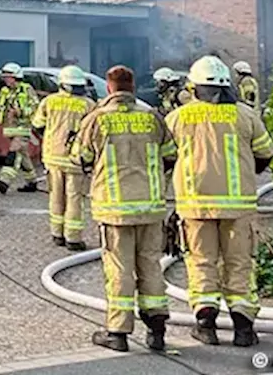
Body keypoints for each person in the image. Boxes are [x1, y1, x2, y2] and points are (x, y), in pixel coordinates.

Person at [164, 55, 273, 348]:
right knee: (239, 263)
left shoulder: (178, 117)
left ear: (193, 87)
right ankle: (243, 330)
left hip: (194, 205)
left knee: (201, 263)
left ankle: (205, 326)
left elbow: (164, 156)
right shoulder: (246, 115)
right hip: (238, 207)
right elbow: (266, 152)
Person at [72, 65, 175, 353]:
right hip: (151, 209)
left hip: (115, 210)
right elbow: (170, 155)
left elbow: (81, 157)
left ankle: (117, 332)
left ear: (109, 88)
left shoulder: (97, 120)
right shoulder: (153, 117)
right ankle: (157, 331)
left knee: (120, 270)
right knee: (151, 265)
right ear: (132, 88)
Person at [31, 65, 96, 250]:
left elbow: (37, 126)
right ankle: (73, 238)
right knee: (75, 197)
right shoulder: (88, 104)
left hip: (52, 157)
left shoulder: (49, 102)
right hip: (76, 159)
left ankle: (57, 234)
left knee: (56, 196)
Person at [0, 62, 41, 194]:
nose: (5, 79)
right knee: (22, 154)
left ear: (15, 77)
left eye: (8, 76)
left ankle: (4, 181)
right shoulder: (5, 91)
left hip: (23, 128)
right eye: (4, 76)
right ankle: (32, 182)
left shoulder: (27, 89)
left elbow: (36, 107)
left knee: (13, 153)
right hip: (10, 129)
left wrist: (19, 112)